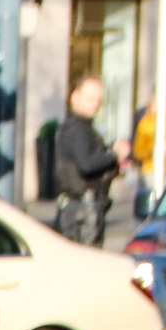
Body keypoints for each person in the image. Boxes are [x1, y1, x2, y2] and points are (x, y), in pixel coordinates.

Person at [53, 77, 126, 246]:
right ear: (75, 98)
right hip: (82, 212)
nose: (95, 104)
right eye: (90, 99)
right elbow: (86, 164)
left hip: (78, 209)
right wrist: (114, 155)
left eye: (98, 100)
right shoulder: (78, 129)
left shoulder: (78, 128)